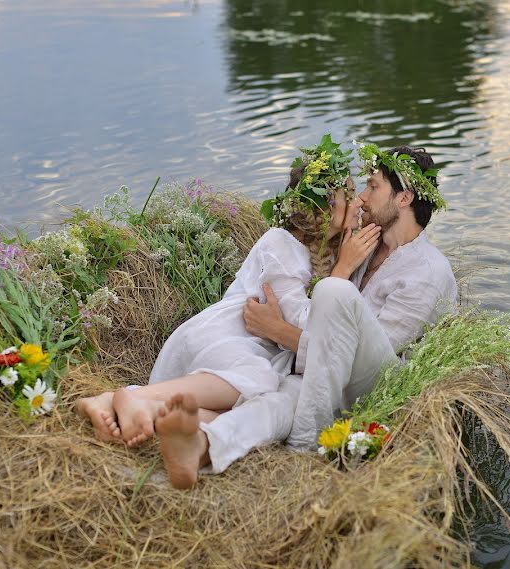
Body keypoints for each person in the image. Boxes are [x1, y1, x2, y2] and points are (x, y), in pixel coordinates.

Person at [154, 143, 458, 488]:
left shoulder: (426, 273)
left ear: (403, 199)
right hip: (325, 370)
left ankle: (299, 437)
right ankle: (203, 444)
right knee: (277, 399)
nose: (361, 196)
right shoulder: (364, 245)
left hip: (379, 378)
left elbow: (364, 354)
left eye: (373, 186)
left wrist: (282, 333)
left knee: (333, 290)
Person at [75, 135, 366, 453]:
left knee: (239, 409)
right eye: (349, 193)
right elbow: (310, 321)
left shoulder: (318, 250)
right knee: (258, 378)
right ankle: (137, 397)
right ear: (326, 205)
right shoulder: (281, 245)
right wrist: (342, 274)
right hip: (229, 334)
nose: (359, 201)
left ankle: (132, 407)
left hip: (256, 347)